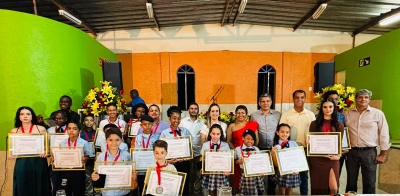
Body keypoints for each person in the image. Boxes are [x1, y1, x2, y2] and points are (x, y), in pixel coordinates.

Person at [344, 89, 390, 194]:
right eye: (360, 97)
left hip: (369, 153)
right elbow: (342, 133)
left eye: (366, 97)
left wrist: (383, 154)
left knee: (369, 182)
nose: (363, 99)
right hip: (351, 152)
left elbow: (384, 133)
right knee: (351, 182)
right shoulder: (347, 114)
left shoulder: (378, 114)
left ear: (369, 99)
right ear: (355, 99)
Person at [279, 89, 315, 195]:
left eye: (302, 97)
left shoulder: (310, 114)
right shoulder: (286, 114)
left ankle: (304, 194)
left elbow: (314, 132)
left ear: (305, 99)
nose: (299, 99)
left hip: (305, 148)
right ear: (293, 99)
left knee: (304, 174)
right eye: (297, 97)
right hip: (290, 150)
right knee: (288, 174)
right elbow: (282, 132)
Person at [9, 106, 51, 196]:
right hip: (22, 162)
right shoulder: (14, 131)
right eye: (22, 114)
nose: (25, 116)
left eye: (28, 114)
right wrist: (11, 154)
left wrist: (46, 153)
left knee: (40, 185)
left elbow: (47, 148)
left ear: (32, 116)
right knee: (22, 185)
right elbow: (12, 150)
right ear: (19, 117)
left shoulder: (41, 129)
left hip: (39, 161)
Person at [309, 99, 344, 194]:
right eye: (325, 107)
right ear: (321, 108)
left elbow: (339, 144)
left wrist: (338, 156)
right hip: (317, 159)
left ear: (334, 108)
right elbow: (311, 141)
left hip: (332, 159)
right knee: (318, 184)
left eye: (330, 107)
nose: (328, 109)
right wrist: (309, 142)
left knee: (333, 187)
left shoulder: (339, 125)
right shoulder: (314, 124)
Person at [250, 94, 281, 195]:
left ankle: (271, 192)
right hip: (260, 147)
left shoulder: (278, 114)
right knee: (260, 172)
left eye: (267, 101)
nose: (265, 103)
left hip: (273, 148)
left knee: (273, 172)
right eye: (263, 101)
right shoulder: (254, 115)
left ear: (271, 102)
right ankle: (260, 192)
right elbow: (252, 131)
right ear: (259, 103)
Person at [91, 128, 137, 196]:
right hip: (107, 193)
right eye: (110, 140)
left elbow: (131, 172)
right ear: (106, 141)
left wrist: (133, 176)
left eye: (117, 140)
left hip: (123, 192)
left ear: (121, 140)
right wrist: (94, 176)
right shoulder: (101, 157)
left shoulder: (126, 155)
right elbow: (96, 174)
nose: (114, 143)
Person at [52, 121, 92, 196]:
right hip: (65, 171)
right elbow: (60, 156)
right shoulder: (62, 143)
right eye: (69, 128)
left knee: (79, 191)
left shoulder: (84, 143)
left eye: (74, 129)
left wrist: (85, 159)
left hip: (78, 171)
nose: (71, 131)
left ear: (79, 131)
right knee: (66, 190)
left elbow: (88, 156)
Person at [160, 106, 192, 196]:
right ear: (169, 118)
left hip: (184, 163)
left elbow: (189, 147)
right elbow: (161, 150)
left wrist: (187, 157)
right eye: (174, 118)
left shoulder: (185, 131)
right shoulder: (164, 133)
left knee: (184, 186)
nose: (176, 121)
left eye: (178, 118)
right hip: (171, 164)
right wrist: (167, 161)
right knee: (172, 187)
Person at [226, 105, 258, 191]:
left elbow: (256, 140)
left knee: (250, 177)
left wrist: (250, 152)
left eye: (243, 113)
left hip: (250, 155)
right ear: (235, 114)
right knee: (237, 179)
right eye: (238, 113)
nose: (241, 115)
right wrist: (238, 152)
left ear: (246, 115)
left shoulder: (252, 125)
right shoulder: (232, 126)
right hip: (237, 155)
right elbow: (228, 141)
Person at [179, 102, 208, 195]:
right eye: (191, 108)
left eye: (195, 108)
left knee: (198, 174)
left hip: (199, 152)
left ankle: (196, 192)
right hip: (186, 152)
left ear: (198, 110)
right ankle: (188, 192)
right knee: (188, 173)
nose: (193, 110)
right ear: (188, 110)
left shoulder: (203, 122)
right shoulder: (183, 121)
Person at [133, 115, 160, 194]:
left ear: (153, 125)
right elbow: (136, 152)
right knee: (142, 188)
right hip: (141, 168)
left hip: (152, 167)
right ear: (141, 125)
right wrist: (136, 167)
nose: (147, 126)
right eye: (145, 124)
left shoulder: (157, 137)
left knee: (152, 188)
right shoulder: (138, 138)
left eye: (149, 124)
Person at [201, 124, 230, 196]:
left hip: (221, 173)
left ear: (221, 134)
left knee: (220, 192)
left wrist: (228, 170)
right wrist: (201, 167)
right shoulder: (205, 145)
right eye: (213, 134)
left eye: (218, 134)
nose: (215, 136)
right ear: (210, 133)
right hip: (209, 172)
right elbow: (202, 158)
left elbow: (229, 159)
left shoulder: (225, 145)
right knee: (210, 191)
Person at [271, 123, 300, 195]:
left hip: (293, 171)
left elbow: (299, 158)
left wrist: (298, 169)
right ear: (277, 132)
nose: (285, 134)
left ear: (289, 133)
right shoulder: (275, 146)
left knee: (289, 192)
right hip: (281, 171)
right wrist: (273, 153)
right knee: (281, 191)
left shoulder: (293, 143)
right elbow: (275, 164)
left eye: (287, 132)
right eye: (282, 132)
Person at [322, 90, 347, 176]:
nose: (334, 101)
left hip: (337, 151)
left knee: (336, 176)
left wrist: (344, 147)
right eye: (331, 99)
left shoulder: (341, 116)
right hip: (322, 151)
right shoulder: (318, 118)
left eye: (336, 99)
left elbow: (344, 133)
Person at [234, 130, 265, 195]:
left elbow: (260, 162)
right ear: (243, 138)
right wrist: (238, 161)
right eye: (248, 138)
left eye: (252, 139)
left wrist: (262, 170)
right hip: (244, 173)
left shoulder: (256, 149)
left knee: (255, 192)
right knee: (244, 192)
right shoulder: (237, 149)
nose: (250, 141)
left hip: (255, 174)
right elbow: (234, 161)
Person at [47, 110, 68, 196]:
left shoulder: (70, 129)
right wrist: (49, 153)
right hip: (54, 162)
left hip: (68, 162)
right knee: (54, 183)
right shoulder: (50, 130)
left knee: (65, 185)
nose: (58, 120)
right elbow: (47, 145)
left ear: (66, 119)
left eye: (61, 118)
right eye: (56, 119)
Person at [79, 114, 96, 196]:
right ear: (83, 122)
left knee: (96, 176)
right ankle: (89, 193)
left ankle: (97, 192)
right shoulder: (80, 133)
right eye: (87, 120)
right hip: (86, 158)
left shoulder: (97, 133)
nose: (89, 122)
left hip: (95, 158)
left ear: (94, 122)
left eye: (91, 120)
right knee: (87, 177)